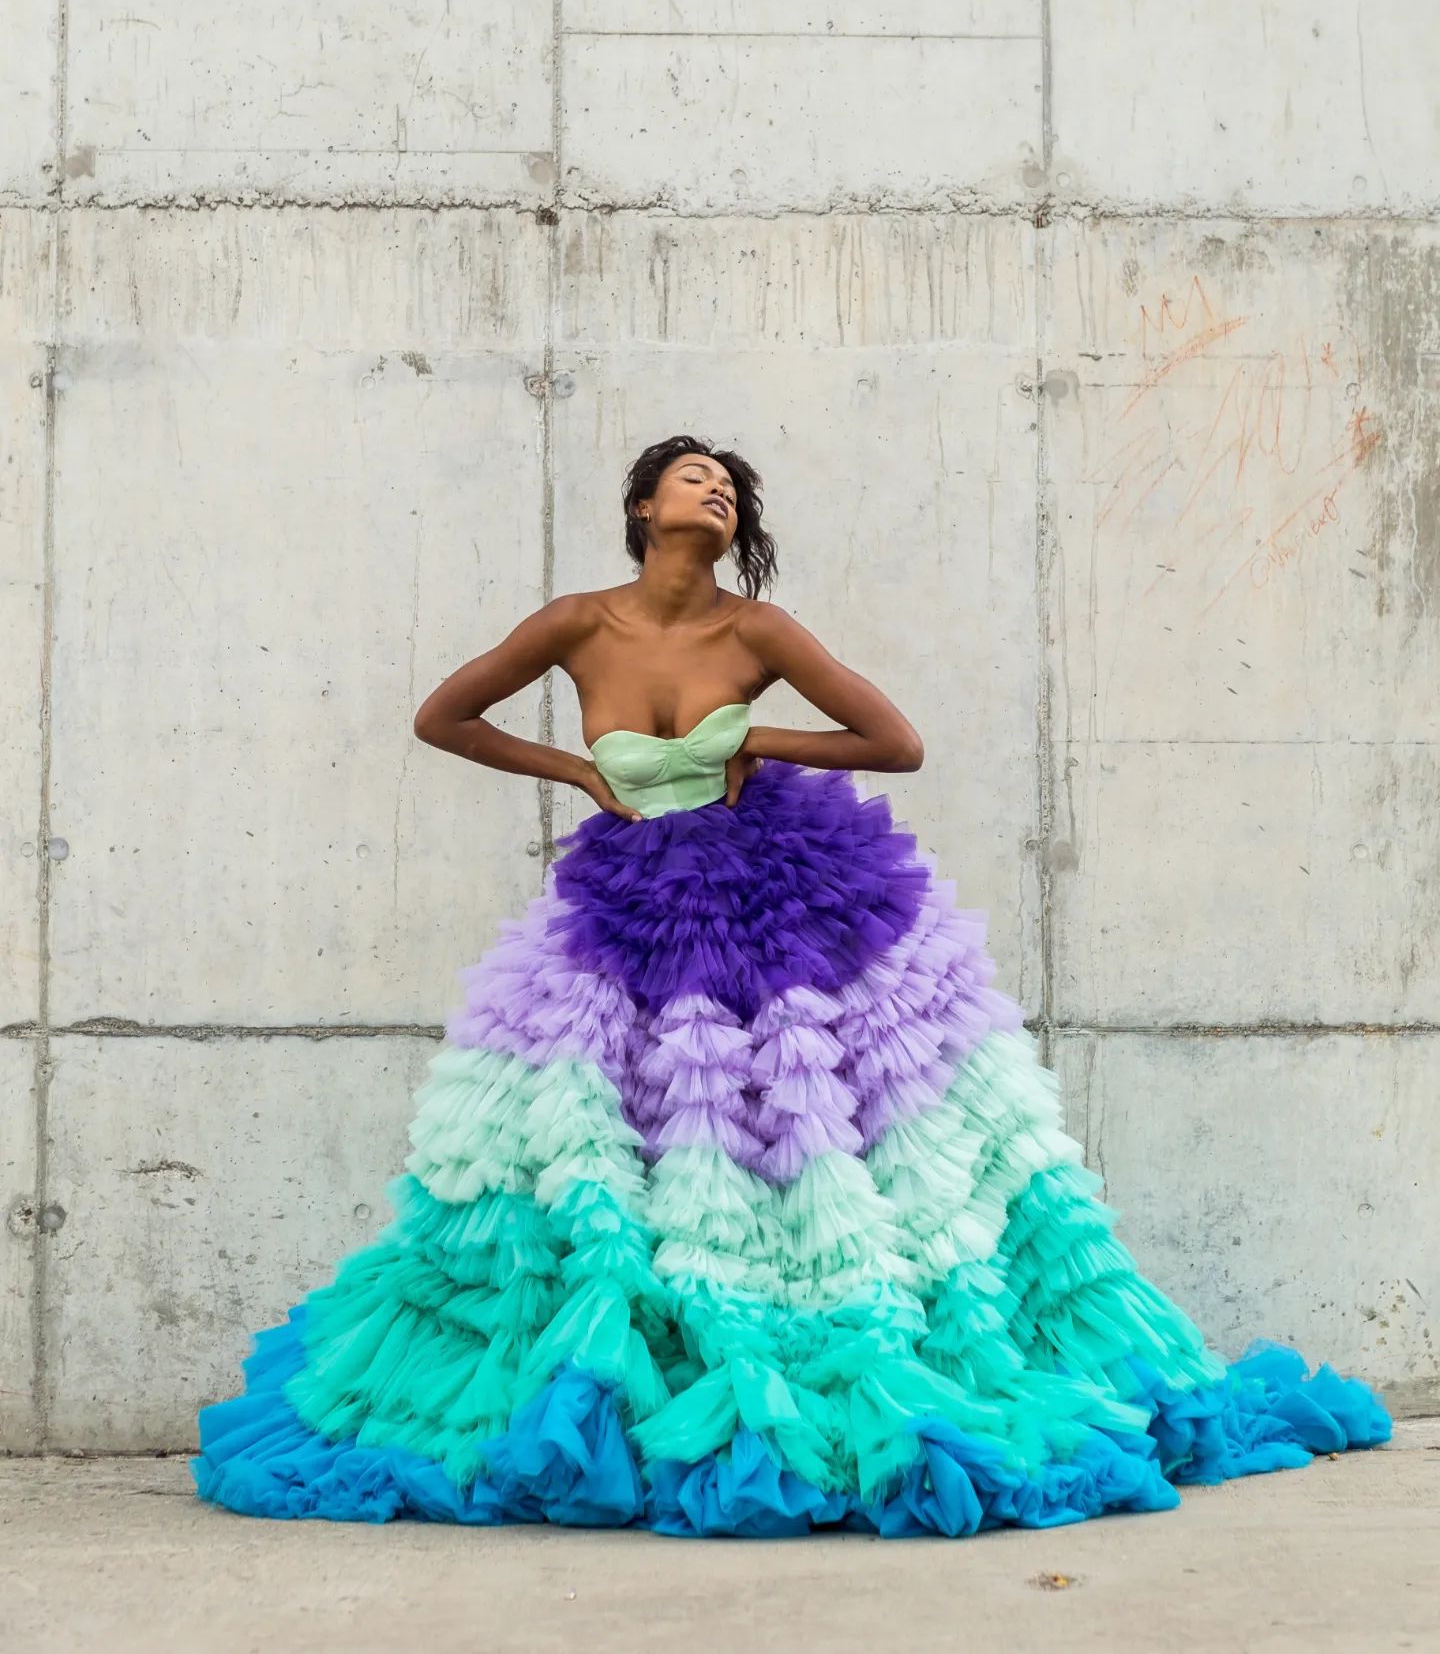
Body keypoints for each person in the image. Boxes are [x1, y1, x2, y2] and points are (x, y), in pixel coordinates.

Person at [193, 433, 1390, 1536]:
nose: (716, 491)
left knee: (789, 1143)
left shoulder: (756, 634)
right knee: (595, 1145)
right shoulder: (576, 623)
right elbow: (443, 716)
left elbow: (893, 741)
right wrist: (575, 771)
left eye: (730, 486)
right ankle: (632, 1358)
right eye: (694, 477)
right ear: (642, 505)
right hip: (631, 908)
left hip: (777, 907)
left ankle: (816, 1336)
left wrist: (760, 741)